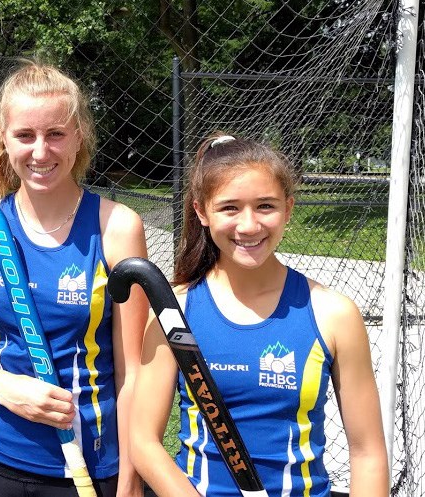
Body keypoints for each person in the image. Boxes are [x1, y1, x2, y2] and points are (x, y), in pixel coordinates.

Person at [129, 132, 389, 496]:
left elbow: (368, 453)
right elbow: (143, 440)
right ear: (202, 212)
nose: (249, 225)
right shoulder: (175, 312)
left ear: (289, 208)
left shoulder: (334, 314)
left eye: (265, 206)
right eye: (230, 208)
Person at [0, 61, 149, 496]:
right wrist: (3, 387)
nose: (40, 152)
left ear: (79, 136)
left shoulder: (117, 228)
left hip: (90, 462)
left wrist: (131, 480)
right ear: (3, 136)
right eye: (25, 135)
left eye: (55, 133)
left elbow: (134, 371)